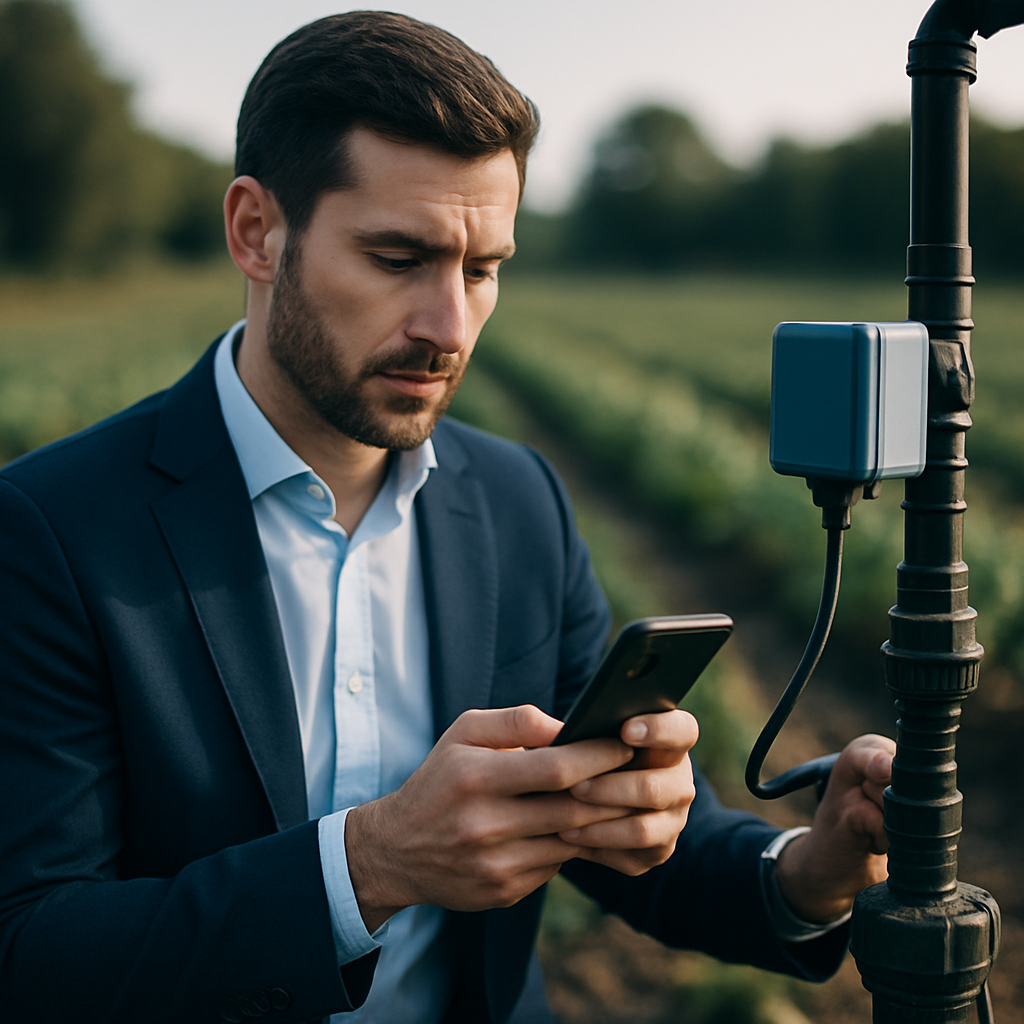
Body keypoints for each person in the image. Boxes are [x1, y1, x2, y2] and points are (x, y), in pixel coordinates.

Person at [0, 12, 895, 1024]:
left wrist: (809, 867)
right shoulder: (50, 530)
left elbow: (610, 835)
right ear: (256, 231)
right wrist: (370, 864)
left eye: (482, 268)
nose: (449, 326)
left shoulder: (518, 502)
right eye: (397, 258)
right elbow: (31, 952)